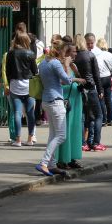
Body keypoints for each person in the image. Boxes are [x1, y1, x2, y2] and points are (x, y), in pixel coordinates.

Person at [35, 44, 85, 176]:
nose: (67, 57)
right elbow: (67, 80)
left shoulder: (43, 63)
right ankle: (44, 163)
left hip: (46, 100)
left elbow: (57, 80)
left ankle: (51, 164)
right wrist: (67, 65)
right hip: (56, 101)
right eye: (66, 54)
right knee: (61, 135)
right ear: (62, 53)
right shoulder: (56, 63)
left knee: (53, 134)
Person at [5, 31, 39, 147]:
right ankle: (30, 139)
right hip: (28, 85)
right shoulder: (30, 53)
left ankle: (18, 140)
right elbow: (35, 71)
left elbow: (8, 71)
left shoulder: (11, 53)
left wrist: (10, 82)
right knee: (30, 113)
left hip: (15, 85)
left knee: (17, 113)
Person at [74, 34, 105, 151]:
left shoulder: (73, 56)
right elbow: (96, 74)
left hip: (79, 88)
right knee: (98, 115)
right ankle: (96, 142)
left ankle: (83, 143)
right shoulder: (90, 55)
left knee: (82, 116)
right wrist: (100, 90)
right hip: (90, 87)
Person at [58, 41, 86, 169]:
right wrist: (67, 65)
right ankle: (62, 159)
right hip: (66, 99)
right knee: (66, 129)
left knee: (75, 128)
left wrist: (81, 81)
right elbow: (64, 80)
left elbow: (78, 77)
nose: (76, 53)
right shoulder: (61, 64)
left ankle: (72, 157)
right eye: (74, 51)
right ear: (68, 53)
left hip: (76, 99)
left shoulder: (73, 65)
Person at [89, 34, 112, 126]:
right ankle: (110, 119)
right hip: (108, 77)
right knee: (108, 99)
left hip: (99, 78)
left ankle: (103, 120)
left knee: (101, 99)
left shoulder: (96, 54)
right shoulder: (109, 54)